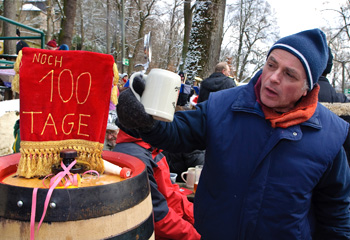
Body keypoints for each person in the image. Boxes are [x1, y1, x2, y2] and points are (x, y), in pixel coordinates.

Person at [116, 28, 350, 239]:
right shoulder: (224, 106)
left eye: (289, 74)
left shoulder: (329, 137)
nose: (273, 77)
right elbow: (176, 132)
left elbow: (337, 214)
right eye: (271, 64)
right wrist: (143, 122)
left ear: (307, 88)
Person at [112, 124, 201, 240]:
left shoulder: (150, 148)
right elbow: (157, 216)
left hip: (173, 225)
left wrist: (198, 219)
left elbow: (173, 196)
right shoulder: (136, 157)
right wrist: (196, 236)